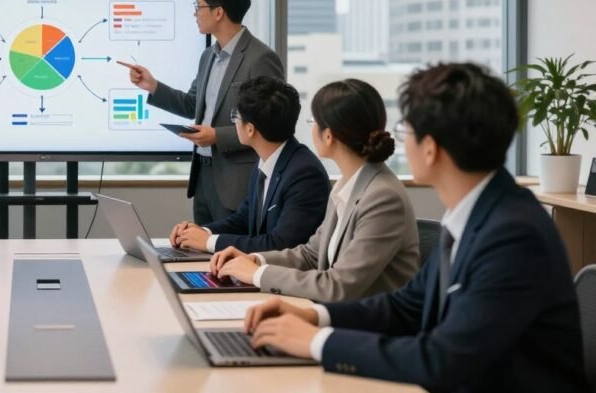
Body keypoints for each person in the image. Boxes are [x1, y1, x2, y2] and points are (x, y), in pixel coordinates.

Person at [244, 63, 588, 392]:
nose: (398, 143)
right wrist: (314, 316)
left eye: (407, 131)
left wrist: (318, 342)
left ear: (430, 148)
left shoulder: (513, 234)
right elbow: (406, 306)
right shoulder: (477, 213)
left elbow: (443, 359)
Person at [209, 79, 419, 301]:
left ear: (328, 136)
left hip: (367, 328)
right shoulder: (347, 185)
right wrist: (255, 260)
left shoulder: (383, 197)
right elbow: (310, 255)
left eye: (313, 121)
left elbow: (338, 287)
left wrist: (258, 274)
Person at [123, 0, 284, 225]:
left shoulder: (260, 58)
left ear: (218, 12)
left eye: (199, 6)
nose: (195, 13)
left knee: (228, 257)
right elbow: (191, 104)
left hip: (236, 182)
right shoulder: (208, 56)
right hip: (203, 177)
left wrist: (217, 136)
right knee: (201, 253)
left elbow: (273, 124)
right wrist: (152, 86)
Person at [169, 76, 330, 253]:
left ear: (250, 129)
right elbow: (242, 220)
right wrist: (201, 232)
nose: (234, 122)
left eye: (235, 116)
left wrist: (209, 242)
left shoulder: (304, 174)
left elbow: (281, 244)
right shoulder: (265, 161)